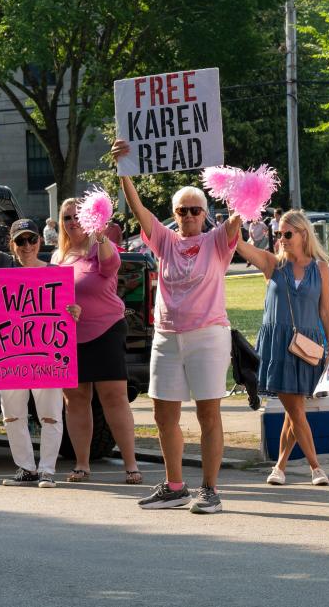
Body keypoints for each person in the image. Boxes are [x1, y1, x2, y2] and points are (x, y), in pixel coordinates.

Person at [113, 139, 240, 514]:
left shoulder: (218, 241)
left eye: (195, 210)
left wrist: (238, 190)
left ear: (205, 213)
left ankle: (211, 490)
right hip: (168, 337)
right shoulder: (165, 241)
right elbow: (139, 211)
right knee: (163, 414)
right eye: (182, 210)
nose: (187, 216)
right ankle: (174, 486)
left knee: (208, 413)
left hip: (208, 336)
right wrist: (125, 170)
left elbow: (237, 217)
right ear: (175, 213)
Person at [0, 182, 72, 487]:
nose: (28, 245)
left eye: (32, 239)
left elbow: (70, 309)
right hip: (11, 354)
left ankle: (47, 470)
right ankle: (26, 468)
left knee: (50, 415)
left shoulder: (54, 273)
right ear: (12, 244)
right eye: (21, 241)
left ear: (39, 241)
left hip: (46, 353)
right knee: (13, 415)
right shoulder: (1, 266)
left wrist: (74, 313)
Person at [234, 211, 329, 487]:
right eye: (279, 234)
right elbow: (237, 245)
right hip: (279, 344)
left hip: (309, 345)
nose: (282, 239)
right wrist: (238, 213)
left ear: (304, 234)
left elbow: (325, 311)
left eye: (287, 234)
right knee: (294, 408)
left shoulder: (320, 268)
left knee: (296, 409)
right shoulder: (272, 264)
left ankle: (279, 467)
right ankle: (316, 467)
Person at [50, 198, 141, 485]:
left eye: (77, 216)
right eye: (66, 218)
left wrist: (100, 234)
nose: (72, 221)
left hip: (106, 330)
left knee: (113, 397)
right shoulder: (58, 257)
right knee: (75, 399)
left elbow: (111, 265)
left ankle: (131, 465)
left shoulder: (101, 247)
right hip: (70, 336)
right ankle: (82, 464)